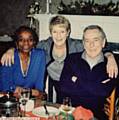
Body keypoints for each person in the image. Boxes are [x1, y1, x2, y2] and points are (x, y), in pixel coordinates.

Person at [0, 16, 118, 103]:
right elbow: (26, 46)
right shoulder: (44, 46)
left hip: (76, 87)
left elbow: (96, 47)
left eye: (62, 32)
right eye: (55, 32)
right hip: (60, 85)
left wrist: (110, 56)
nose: (58, 36)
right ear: (50, 33)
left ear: (68, 33)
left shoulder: (76, 46)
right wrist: (11, 49)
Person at [59, 25, 117, 119]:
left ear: (103, 42)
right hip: (71, 113)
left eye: (96, 40)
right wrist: (95, 85)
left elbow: (103, 92)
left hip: (96, 116)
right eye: (87, 41)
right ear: (83, 43)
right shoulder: (72, 59)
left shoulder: (112, 65)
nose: (91, 45)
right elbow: (64, 87)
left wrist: (76, 81)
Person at [0, 26, 46, 97]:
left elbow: (39, 90)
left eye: (30, 39)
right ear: (16, 43)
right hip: (9, 100)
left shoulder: (39, 56)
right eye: (21, 40)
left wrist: (18, 89)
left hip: (29, 100)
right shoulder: (9, 57)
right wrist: (30, 91)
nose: (26, 43)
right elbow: (5, 87)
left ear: (34, 42)